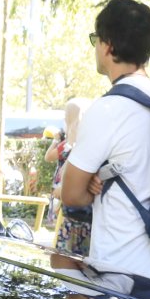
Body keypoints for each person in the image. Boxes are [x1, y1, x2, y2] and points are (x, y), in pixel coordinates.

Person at [60, 0, 150, 297]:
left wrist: (90, 183)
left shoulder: (110, 109)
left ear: (107, 45)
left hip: (121, 273)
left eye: (96, 40)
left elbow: (70, 194)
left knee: (57, 266)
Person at [48, 96, 91, 257]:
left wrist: (61, 189)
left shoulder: (76, 147)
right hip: (78, 218)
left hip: (78, 220)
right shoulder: (79, 144)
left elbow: (66, 188)